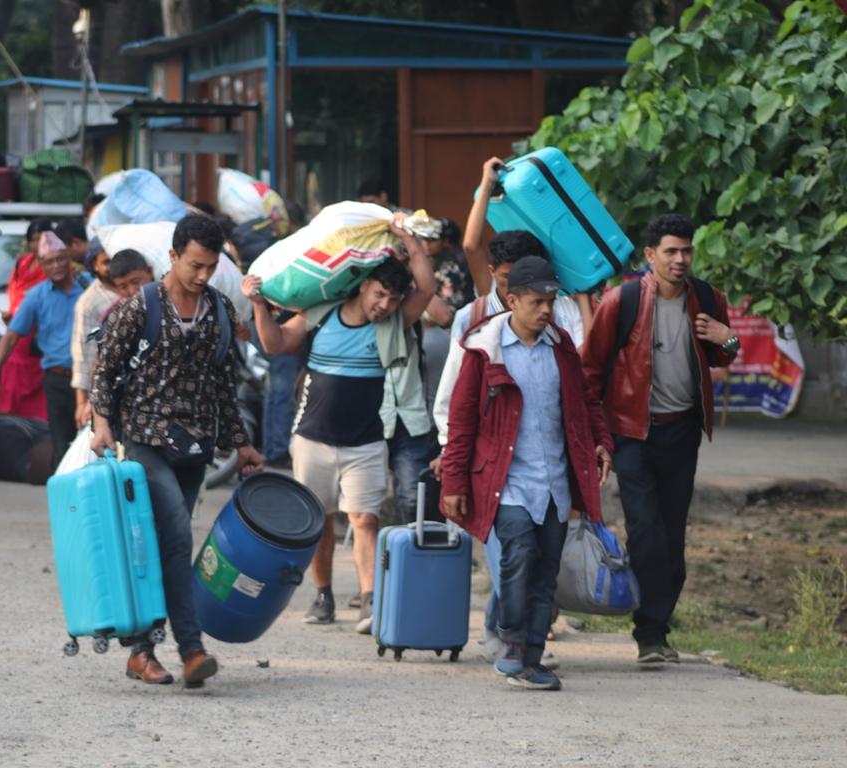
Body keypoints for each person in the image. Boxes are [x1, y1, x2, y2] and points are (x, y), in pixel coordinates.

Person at [89, 213, 263, 689]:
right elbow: (104, 372)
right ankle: (191, 649)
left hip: (196, 448)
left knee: (165, 545)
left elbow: (225, 384)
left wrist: (241, 444)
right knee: (178, 539)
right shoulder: (139, 306)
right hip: (146, 442)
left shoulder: (221, 311)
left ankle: (141, 652)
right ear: (173, 257)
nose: (202, 275)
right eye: (194, 265)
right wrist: (102, 423)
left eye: (210, 266)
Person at [244, 211, 435, 634]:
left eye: (391, 299)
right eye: (379, 294)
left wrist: (406, 237)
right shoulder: (323, 312)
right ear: (364, 284)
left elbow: (428, 287)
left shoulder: (395, 325)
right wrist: (260, 306)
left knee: (365, 519)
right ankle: (324, 594)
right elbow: (276, 344)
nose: (384, 305)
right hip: (311, 440)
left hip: (366, 443)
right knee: (319, 522)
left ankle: (369, 601)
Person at [440, 256, 613, 691]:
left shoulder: (561, 348)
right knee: (518, 557)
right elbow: (461, 422)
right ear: (511, 300)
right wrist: (455, 483)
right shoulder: (483, 349)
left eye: (550, 302)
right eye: (537, 302)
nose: (546, 311)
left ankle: (532, 658)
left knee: (546, 571)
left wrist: (600, 442)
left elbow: (586, 403)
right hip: (506, 483)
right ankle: (511, 642)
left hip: (554, 481)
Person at [581, 213, 737, 664]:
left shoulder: (707, 298)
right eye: (670, 251)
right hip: (631, 433)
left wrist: (728, 342)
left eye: (686, 250)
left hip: (681, 432)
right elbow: (590, 371)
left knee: (671, 538)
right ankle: (647, 632)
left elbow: (721, 355)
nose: (680, 259)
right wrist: (597, 437)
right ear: (650, 256)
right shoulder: (622, 300)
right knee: (645, 531)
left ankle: (656, 631)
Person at [0, 231, 84, 469]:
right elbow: (11, 337)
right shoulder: (37, 296)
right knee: (63, 444)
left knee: (93, 443)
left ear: (68, 258)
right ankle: (67, 503)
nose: (57, 265)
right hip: (58, 379)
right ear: (41, 265)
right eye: (49, 261)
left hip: (90, 381)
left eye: (60, 259)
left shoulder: (88, 286)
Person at [70, 247, 142, 428]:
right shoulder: (90, 303)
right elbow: (87, 356)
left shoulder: (150, 297)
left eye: (134, 282)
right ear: (94, 265)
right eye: (106, 261)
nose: (131, 289)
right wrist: (83, 402)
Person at [0, 219, 53, 420]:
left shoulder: (56, 268)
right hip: (17, 336)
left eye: (42, 239)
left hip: (40, 340)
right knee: (11, 387)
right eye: (34, 240)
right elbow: (14, 293)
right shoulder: (23, 264)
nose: (38, 245)